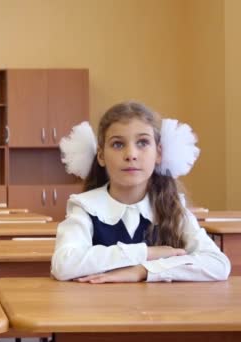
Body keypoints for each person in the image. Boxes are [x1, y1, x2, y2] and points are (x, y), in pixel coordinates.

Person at [51, 101, 230, 283]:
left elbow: (218, 264)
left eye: (143, 142)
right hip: (102, 308)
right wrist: (147, 252)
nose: (131, 154)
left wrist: (144, 270)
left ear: (158, 153)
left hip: (160, 309)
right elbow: (64, 264)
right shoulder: (85, 206)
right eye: (118, 144)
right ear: (101, 156)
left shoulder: (172, 206)